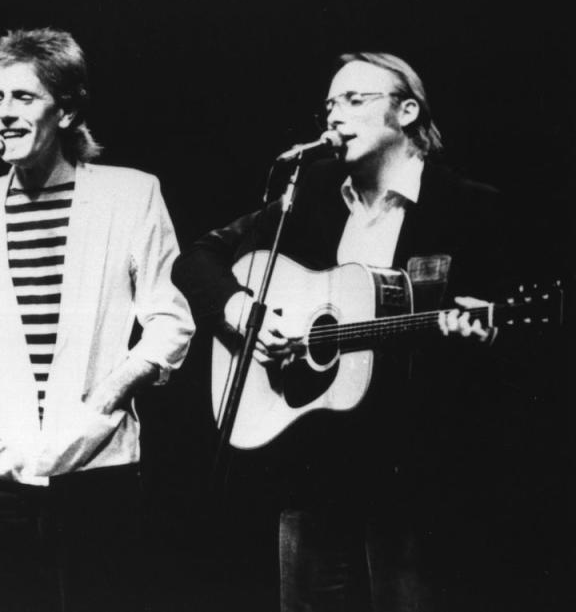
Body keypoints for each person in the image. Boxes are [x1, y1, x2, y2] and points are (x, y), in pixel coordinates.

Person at [172, 52, 506, 611]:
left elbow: (505, 359)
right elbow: (197, 259)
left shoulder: (471, 209)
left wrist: (484, 337)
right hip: (313, 473)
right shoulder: (308, 201)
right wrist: (245, 316)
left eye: (354, 101)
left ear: (406, 111)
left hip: (415, 483)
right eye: (329, 105)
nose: (334, 117)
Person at [0, 28, 195, 612]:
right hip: (0, 472)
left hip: (99, 466)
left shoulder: (131, 195)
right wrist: (7, 419)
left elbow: (170, 320)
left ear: (68, 108)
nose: (3, 114)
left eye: (22, 97)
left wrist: (102, 401)